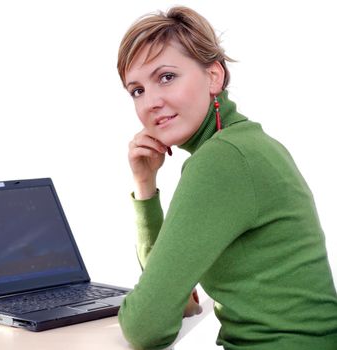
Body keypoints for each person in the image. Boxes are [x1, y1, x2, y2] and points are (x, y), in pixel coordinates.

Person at [116, 6, 337, 350]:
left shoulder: (223, 159)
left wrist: (145, 309)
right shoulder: (245, 144)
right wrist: (145, 187)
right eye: (137, 90)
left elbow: (145, 326)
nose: (151, 102)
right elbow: (182, 301)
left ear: (214, 76)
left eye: (166, 77)